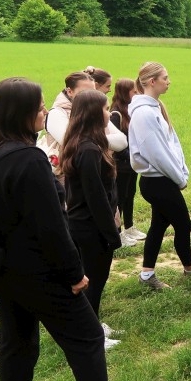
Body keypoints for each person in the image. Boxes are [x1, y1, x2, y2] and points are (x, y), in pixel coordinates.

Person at [0, 77, 146, 381]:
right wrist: (73, 273)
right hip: (39, 268)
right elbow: (51, 225)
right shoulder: (29, 158)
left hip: (3, 269)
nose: (45, 110)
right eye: (38, 106)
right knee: (86, 337)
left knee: (17, 338)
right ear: (19, 113)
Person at [128, 62, 191, 290]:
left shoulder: (155, 107)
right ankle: (190, 270)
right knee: (184, 225)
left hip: (163, 178)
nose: (169, 81)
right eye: (165, 77)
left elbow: (171, 144)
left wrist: (180, 169)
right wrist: (179, 178)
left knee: (158, 225)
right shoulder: (144, 113)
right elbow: (157, 153)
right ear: (151, 81)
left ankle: (147, 274)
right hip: (158, 181)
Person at [60, 90, 123, 350]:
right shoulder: (88, 150)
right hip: (90, 228)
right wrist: (111, 234)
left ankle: (91, 326)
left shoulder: (84, 144)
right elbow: (96, 198)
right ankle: (91, 335)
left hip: (85, 224)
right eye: (106, 108)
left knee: (93, 280)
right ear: (93, 114)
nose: (109, 112)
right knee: (93, 282)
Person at [42, 71, 128, 169]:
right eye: (85, 92)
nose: (91, 96)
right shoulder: (57, 113)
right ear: (70, 92)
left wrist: (90, 140)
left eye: (93, 92)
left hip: (98, 167)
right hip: (64, 176)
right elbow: (70, 142)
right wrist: (99, 139)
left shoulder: (96, 111)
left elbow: (122, 142)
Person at [110, 78, 146, 248]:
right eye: (134, 91)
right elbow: (116, 144)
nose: (137, 94)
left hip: (132, 163)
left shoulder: (131, 110)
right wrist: (130, 155)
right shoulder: (115, 113)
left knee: (130, 194)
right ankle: (118, 232)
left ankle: (129, 227)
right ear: (125, 92)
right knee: (120, 198)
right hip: (121, 164)